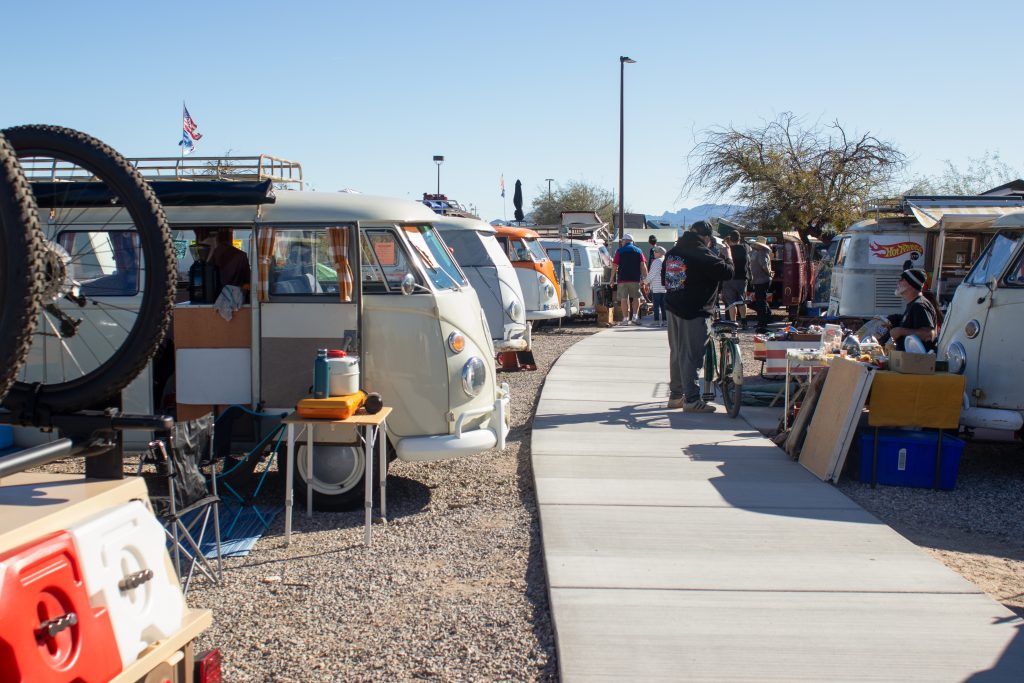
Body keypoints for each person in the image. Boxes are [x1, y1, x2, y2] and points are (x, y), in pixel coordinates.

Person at [663, 221, 734, 412]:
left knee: (677, 353)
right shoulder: (701, 253)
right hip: (694, 310)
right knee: (692, 356)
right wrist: (728, 257)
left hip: (673, 308)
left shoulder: (673, 253)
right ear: (705, 237)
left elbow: (665, 280)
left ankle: (676, 396)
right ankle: (692, 399)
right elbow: (726, 273)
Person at [884, 267, 941, 352]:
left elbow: (928, 334)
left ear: (911, 284)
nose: (898, 282)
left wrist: (900, 331)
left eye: (902, 279)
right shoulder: (913, 305)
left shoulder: (919, 305)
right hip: (910, 361)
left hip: (918, 362)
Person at [610, 233, 648, 325]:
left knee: (623, 298)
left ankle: (626, 319)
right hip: (635, 279)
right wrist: (646, 279)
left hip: (622, 279)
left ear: (625, 241)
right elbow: (643, 265)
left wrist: (611, 278)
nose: (622, 242)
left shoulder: (619, 251)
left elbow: (614, 266)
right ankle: (635, 317)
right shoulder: (638, 250)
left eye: (622, 240)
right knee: (636, 297)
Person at [722, 231, 750, 329]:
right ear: (739, 238)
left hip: (729, 278)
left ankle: (733, 323)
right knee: (741, 300)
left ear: (730, 239)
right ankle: (744, 321)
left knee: (731, 302)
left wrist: (726, 242)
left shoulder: (727, 250)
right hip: (742, 278)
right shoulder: (744, 248)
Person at [749, 235, 773, 332]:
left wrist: (769, 274)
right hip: (759, 280)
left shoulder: (762, 253)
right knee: (761, 300)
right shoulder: (759, 252)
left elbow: (764, 266)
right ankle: (765, 319)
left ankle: (762, 322)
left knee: (761, 301)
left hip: (762, 280)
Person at [643, 245, 667, 326]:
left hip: (657, 287)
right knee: (664, 305)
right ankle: (665, 321)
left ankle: (656, 321)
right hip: (665, 287)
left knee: (656, 305)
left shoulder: (657, 261)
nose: (654, 253)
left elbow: (652, 274)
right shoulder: (666, 261)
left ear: (660, 253)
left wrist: (645, 282)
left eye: (655, 251)